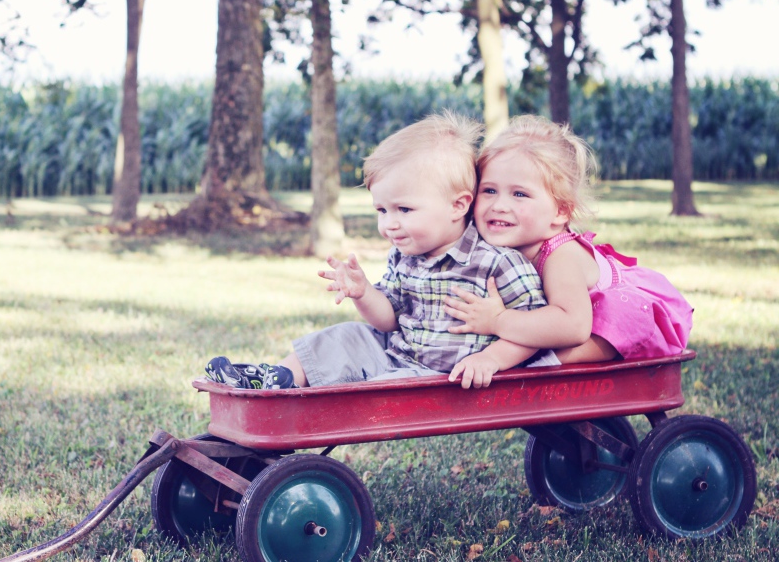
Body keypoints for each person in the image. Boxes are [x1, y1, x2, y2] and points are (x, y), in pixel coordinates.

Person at [204, 111, 550, 391]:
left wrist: (492, 359)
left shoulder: (497, 262)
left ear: (457, 205)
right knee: (346, 335)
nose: (389, 225)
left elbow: (535, 331)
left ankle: (303, 402)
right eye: (381, 211)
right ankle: (276, 379)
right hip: (396, 354)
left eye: (404, 210)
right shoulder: (405, 254)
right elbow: (388, 320)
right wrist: (364, 293)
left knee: (377, 391)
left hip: (440, 379)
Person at [444, 115, 693, 364]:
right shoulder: (499, 244)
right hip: (572, 317)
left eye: (519, 194)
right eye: (489, 190)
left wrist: (498, 321)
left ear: (560, 211)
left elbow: (573, 326)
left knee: (582, 338)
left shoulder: (560, 257)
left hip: (622, 321)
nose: (499, 205)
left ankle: (544, 364)